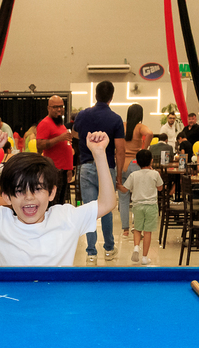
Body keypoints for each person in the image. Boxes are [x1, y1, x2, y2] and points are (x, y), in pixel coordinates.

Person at [0, 127, 116, 266]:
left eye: (37, 189)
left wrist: (99, 153)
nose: (29, 197)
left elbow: (107, 203)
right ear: (7, 196)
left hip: (55, 295)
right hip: (8, 296)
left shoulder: (67, 218)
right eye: (19, 190)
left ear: (52, 192)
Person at [73, 81, 126, 263]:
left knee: (89, 209)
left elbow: (75, 134)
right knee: (107, 208)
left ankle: (91, 252)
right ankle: (109, 248)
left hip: (86, 166)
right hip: (106, 166)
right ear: (111, 97)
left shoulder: (82, 115)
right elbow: (120, 150)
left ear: (95, 95)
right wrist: (118, 177)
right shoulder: (116, 119)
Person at [117, 104, 155, 242]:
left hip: (121, 164)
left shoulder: (122, 125)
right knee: (138, 198)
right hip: (135, 163)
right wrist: (144, 149)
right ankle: (136, 227)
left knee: (123, 198)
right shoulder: (139, 127)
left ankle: (125, 230)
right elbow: (150, 133)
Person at [121, 149, 163, 266]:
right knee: (147, 231)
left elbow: (125, 189)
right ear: (151, 161)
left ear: (137, 163)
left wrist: (118, 185)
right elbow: (160, 188)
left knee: (137, 229)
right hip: (151, 206)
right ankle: (144, 257)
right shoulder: (155, 174)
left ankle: (136, 247)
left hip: (137, 205)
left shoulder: (133, 175)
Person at [36, 94, 76, 204]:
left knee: (60, 204)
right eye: (55, 107)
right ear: (48, 108)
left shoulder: (60, 124)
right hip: (54, 170)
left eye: (61, 106)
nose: (59, 109)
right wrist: (59, 138)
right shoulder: (45, 123)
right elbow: (39, 145)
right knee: (54, 204)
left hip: (63, 171)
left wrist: (69, 168)